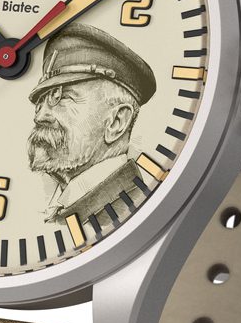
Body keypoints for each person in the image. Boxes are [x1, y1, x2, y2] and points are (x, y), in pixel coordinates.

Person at [27, 22, 157, 223]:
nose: (40, 116)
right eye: (41, 102)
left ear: (116, 121)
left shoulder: (124, 209)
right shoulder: (64, 206)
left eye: (62, 97)